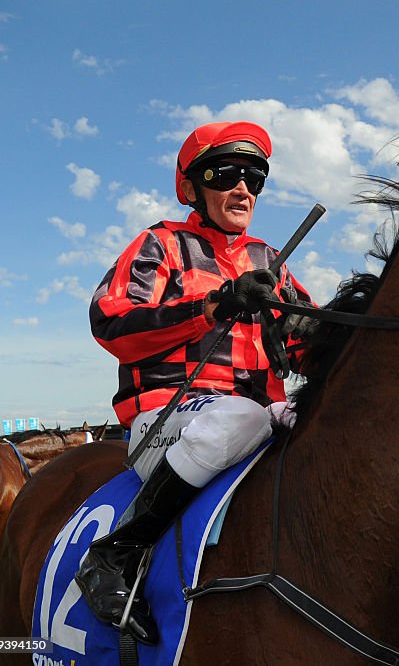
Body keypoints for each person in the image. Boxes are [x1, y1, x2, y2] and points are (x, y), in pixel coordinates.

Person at [75, 121, 314, 644]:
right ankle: (116, 553)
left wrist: (309, 329)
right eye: (225, 173)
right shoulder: (159, 244)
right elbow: (111, 323)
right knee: (243, 414)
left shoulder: (271, 261)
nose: (242, 187)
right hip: (166, 421)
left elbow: (309, 353)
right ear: (193, 188)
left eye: (255, 176)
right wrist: (216, 305)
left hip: (258, 419)